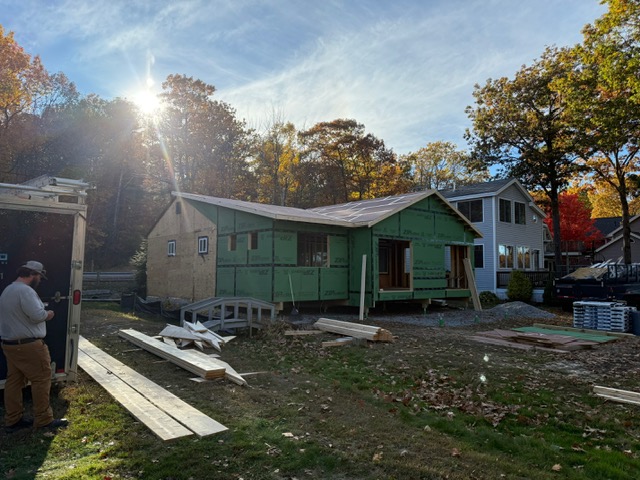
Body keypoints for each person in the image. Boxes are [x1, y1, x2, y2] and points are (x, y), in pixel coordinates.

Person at [0, 260, 68, 433]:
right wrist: (49, 313)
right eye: (38, 276)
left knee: (14, 381)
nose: (39, 279)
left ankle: (13, 420)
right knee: (42, 378)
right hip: (29, 345)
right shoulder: (26, 291)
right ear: (32, 274)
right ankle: (44, 420)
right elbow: (37, 315)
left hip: (10, 344)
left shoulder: (8, 289)